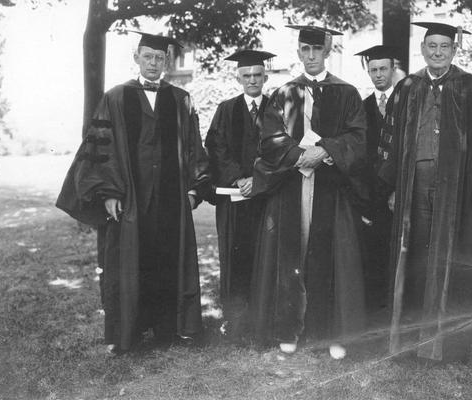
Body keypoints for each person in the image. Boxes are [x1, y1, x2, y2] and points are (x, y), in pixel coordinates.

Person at [56, 32, 210, 353]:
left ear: (166, 61)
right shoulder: (115, 97)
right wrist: (109, 193)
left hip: (170, 198)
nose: (154, 63)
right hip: (131, 198)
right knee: (131, 262)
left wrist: (195, 189)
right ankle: (129, 331)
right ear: (136, 57)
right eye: (148, 57)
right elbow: (103, 148)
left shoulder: (181, 100)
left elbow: (195, 147)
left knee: (166, 258)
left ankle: (168, 329)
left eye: (159, 58)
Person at [376, 22, 472, 362]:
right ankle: (408, 342)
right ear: (423, 49)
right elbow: (391, 140)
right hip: (413, 187)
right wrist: (394, 187)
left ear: (455, 50)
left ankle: (451, 347)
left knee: (451, 262)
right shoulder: (407, 88)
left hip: (456, 193)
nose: (438, 52)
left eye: (444, 46)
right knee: (413, 261)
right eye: (432, 46)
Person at [249, 25, 368, 359]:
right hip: (291, 185)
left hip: (332, 188)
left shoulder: (347, 93)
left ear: (328, 50)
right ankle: (289, 328)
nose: (312, 56)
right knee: (292, 254)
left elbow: (358, 138)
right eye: (306, 49)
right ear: (299, 51)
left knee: (332, 257)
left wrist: (325, 151)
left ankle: (330, 333)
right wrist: (300, 156)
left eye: (318, 49)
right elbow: (269, 137)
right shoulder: (284, 92)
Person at [204, 49, 275, 337]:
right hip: (234, 199)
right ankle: (235, 322)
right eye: (247, 75)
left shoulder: (276, 108)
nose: (253, 80)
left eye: (258, 75)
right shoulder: (226, 109)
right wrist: (239, 178)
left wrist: (257, 179)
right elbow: (216, 148)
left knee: (266, 256)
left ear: (266, 77)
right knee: (233, 259)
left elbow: (282, 150)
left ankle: (265, 320)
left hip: (267, 196)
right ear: (238, 77)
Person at [354, 45, 400, 310]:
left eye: (383, 69)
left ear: (392, 69)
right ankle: (375, 315)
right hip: (371, 197)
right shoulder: (361, 108)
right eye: (373, 70)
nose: (379, 74)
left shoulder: (407, 104)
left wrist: (397, 189)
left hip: (399, 193)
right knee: (373, 255)